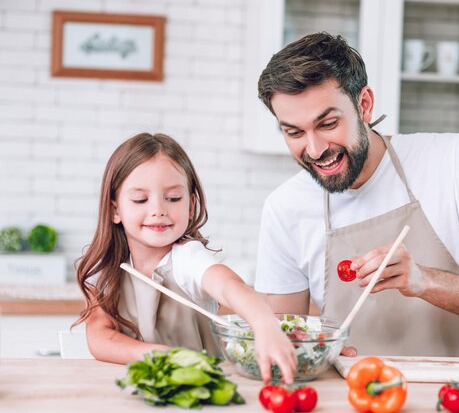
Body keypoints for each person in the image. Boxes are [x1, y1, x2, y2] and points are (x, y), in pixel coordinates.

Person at [254, 32, 459, 360]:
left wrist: (423, 280)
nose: (315, 149)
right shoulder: (285, 208)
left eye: (329, 123)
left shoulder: (454, 160)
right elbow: (285, 341)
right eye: (294, 132)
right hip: (358, 398)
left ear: (364, 105)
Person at [74, 133, 296, 383]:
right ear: (115, 209)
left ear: (191, 206)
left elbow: (230, 287)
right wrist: (163, 356)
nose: (158, 210)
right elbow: (100, 338)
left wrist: (265, 323)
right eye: (140, 199)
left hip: (205, 389)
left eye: (173, 198)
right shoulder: (106, 270)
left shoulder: (188, 259)